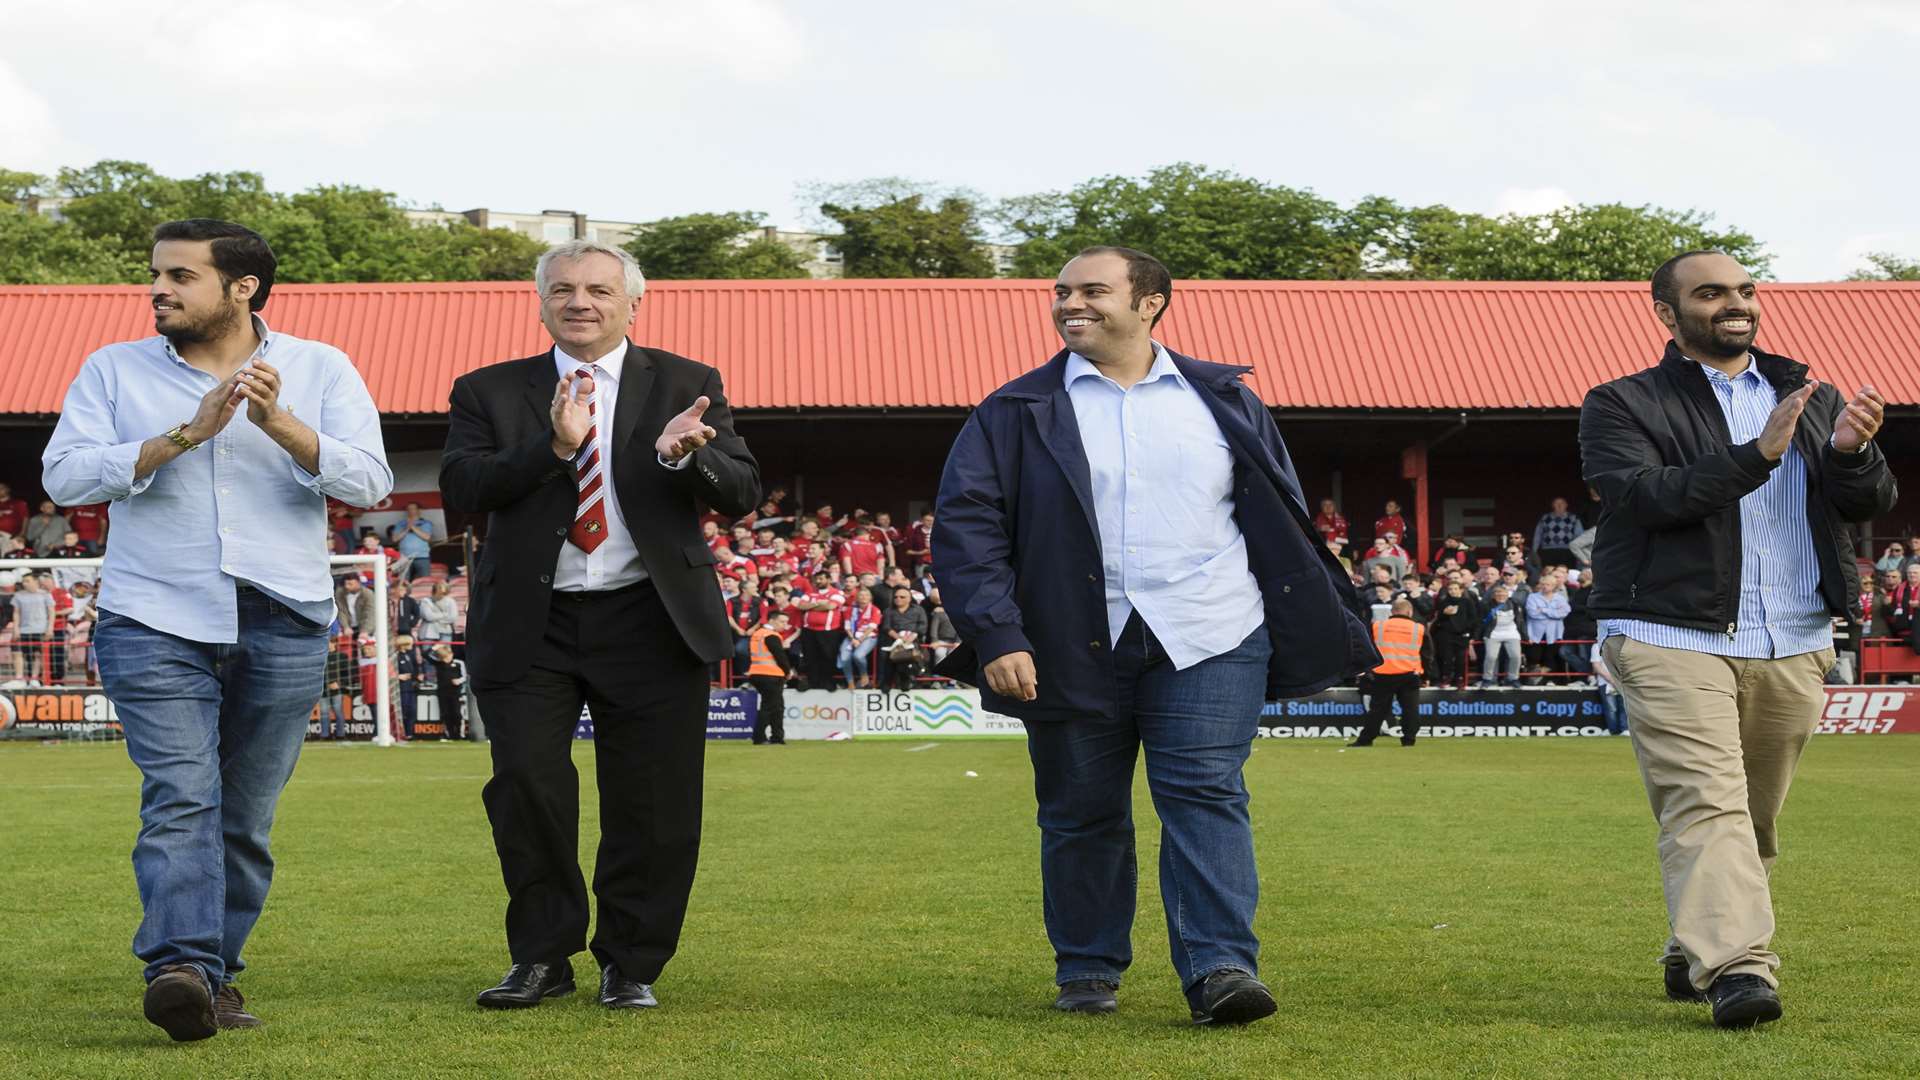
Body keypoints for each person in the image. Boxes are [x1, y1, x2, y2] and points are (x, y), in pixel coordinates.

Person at [933, 246, 1375, 1025]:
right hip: (1069, 638)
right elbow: (969, 528)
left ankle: (1221, 971)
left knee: (1206, 794)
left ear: (1152, 304)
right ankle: (1088, 968)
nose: (1072, 303)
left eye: (1094, 291)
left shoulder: (1227, 399)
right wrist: (998, 632)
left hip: (1213, 630)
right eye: (1062, 292)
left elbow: (1280, 513)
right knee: (1079, 809)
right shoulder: (1013, 409)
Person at [40, 218, 391, 1041]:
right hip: (152, 616)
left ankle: (213, 979)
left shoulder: (321, 367)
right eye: (156, 275)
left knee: (244, 817)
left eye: (180, 277)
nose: (158, 290)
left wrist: (285, 427)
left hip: (286, 615)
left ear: (242, 288)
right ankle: (179, 969)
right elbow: (62, 476)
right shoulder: (113, 369)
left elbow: (371, 480)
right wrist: (182, 435)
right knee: (182, 798)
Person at [439, 239, 759, 1013]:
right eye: (564, 290)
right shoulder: (489, 389)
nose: (581, 302)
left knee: (654, 802)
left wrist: (690, 457)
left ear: (632, 301)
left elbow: (743, 490)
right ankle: (543, 956)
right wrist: (554, 446)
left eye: (598, 290)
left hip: (652, 619)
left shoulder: (687, 383)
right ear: (541, 301)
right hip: (530, 622)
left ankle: (631, 962)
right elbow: (463, 486)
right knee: (526, 787)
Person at [1580, 250, 1895, 1029]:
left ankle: (1696, 944)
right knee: (1708, 806)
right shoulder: (1620, 403)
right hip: (1667, 634)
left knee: (1751, 818)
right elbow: (1645, 497)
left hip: (1794, 637)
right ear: (1666, 313)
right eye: (1711, 292)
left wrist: (1854, 454)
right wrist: (1755, 457)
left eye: (1746, 290)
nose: (1735, 304)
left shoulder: (1807, 395)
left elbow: (1867, 502)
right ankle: (1739, 969)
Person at [1351, 598, 1425, 746]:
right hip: (1409, 673)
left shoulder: (1378, 626)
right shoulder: (1418, 628)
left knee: (1377, 710)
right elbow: (1428, 652)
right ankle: (1409, 740)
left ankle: (1365, 740)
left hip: (1383, 673)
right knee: (1410, 709)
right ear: (1410, 612)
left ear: (1391, 611)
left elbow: (1367, 647)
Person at [744, 611, 793, 745]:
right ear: (772, 621)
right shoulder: (771, 635)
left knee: (776, 706)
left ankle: (777, 737)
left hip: (756, 673)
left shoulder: (758, 634)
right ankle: (760, 736)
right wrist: (788, 671)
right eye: (782, 621)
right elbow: (780, 656)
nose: (785, 625)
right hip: (771, 674)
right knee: (770, 706)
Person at [793, 570, 847, 690]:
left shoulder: (837, 592)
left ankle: (828, 682)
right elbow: (800, 605)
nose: (818, 581)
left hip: (828, 631)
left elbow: (830, 606)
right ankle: (812, 682)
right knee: (810, 657)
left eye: (821, 579)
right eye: (816, 579)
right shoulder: (810, 592)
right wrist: (818, 603)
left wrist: (811, 605)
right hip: (809, 630)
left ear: (828, 579)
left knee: (827, 657)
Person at [1429, 581, 1478, 688]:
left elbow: (1473, 618)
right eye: (1450, 589)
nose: (1453, 591)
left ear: (1461, 590)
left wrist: (1466, 630)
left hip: (1462, 634)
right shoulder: (1443, 602)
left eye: (1455, 589)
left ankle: (1459, 678)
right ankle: (1446, 678)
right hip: (1446, 635)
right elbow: (1438, 619)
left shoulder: (1467, 602)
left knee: (1461, 659)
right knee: (1447, 658)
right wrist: (1444, 613)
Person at [1476, 584, 1525, 687]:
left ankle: (1513, 678)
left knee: (1515, 656)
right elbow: (1481, 622)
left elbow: (1520, 621)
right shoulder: (1486, 605)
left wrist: (1526, 636)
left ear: (1507, 594)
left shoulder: (1514, 604)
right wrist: (1475, 637)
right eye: (1497, 593)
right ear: (1493, 595)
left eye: (1503, 593)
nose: (1500, 595)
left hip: (1511, 633)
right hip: (1493, 633)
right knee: (1491, 656)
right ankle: (1487, 679)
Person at [837, 586, 882, 689]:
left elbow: (872, 627)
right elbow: (847, 626)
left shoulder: (875, 610)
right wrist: (853, 639)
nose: (863, 597)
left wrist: (859, 640)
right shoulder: (850, 610)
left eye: (866, 595)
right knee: (844, 657)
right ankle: (850, 681)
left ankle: (864, 674)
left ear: (870, 597)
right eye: (861, 595)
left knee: (858, 655)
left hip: (869, 637)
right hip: (851, 637)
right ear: (857, 598)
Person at [430, 642, 468, 741]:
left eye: (447, 657)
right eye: (444, 658)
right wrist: (435, 647)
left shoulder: (459, 663)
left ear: (451, 654)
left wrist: (458, 681)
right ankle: (449, 734)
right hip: (442, 692)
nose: (446, 660)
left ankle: (460, 734)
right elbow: (426, 655)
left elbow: (465, 676)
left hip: (455, 693)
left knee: (457, 713)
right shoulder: (439, 664)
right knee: (446, 714)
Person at [1532, 497, 1584, 567]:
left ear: (1566, 505)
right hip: (1548, 551)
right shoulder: (1545, 518)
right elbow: (1537, 535)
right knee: (1548, 573)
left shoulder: (1573, 518)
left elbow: (1579, 535)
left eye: (1562, 503)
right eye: (1557, 503)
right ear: (1553, 505)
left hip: (1567, 551)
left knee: (1565, 573)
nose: (1559, 505)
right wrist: (1534, 550)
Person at [391, 502, 435, 581]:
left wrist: (412, 526)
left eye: (413, 508)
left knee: (424, 581)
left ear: (418, 510)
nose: (411, 511)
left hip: (422, 557)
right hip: (404, 557)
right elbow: (395, 539)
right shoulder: (400, 524)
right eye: (408, 509)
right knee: (403, 581)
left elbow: (427, 537)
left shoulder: (426, 523)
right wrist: (407, 528)